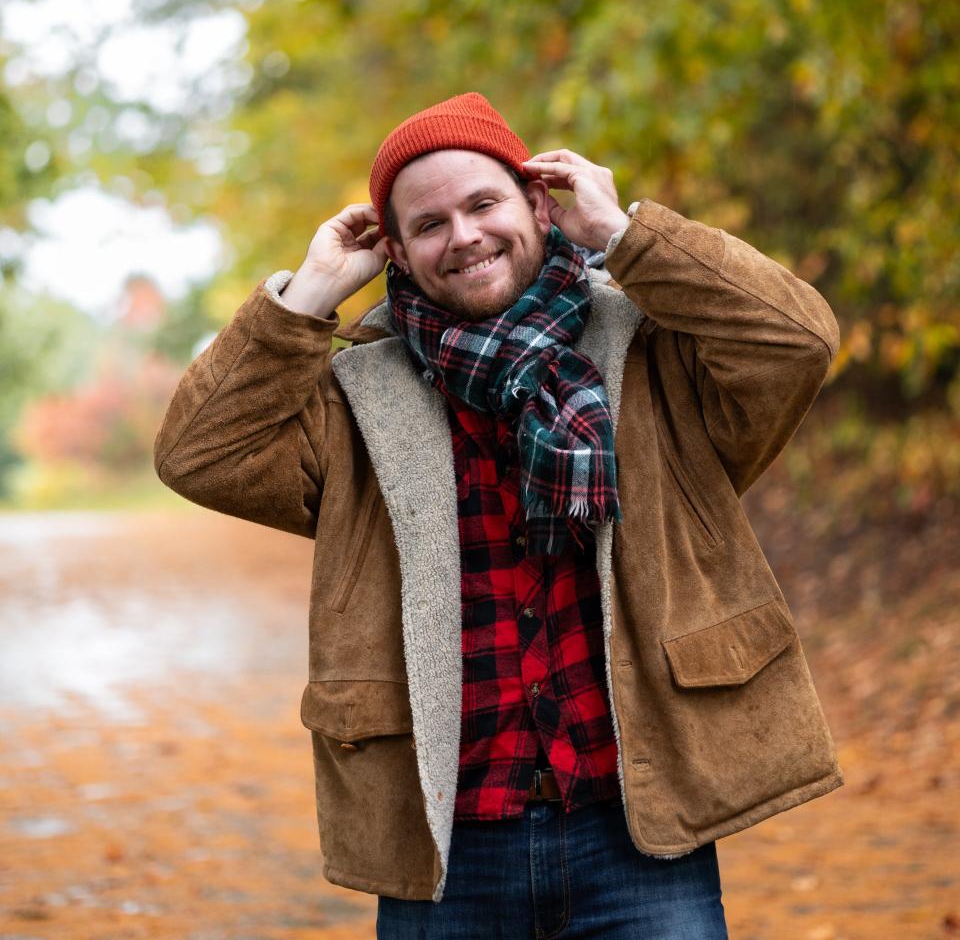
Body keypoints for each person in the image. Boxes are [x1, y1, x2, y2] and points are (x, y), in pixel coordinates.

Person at [154, 92, 844, 939]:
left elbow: (797, 340)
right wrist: (308, 296)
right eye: (431, 223)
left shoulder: (657, 350)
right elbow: (199, 454)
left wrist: (629, 238)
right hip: (449, 850)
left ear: (538, 207)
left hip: (638, 831)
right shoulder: (353, 400)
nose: (466, 235)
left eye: (484, 204)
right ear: (398, 254)